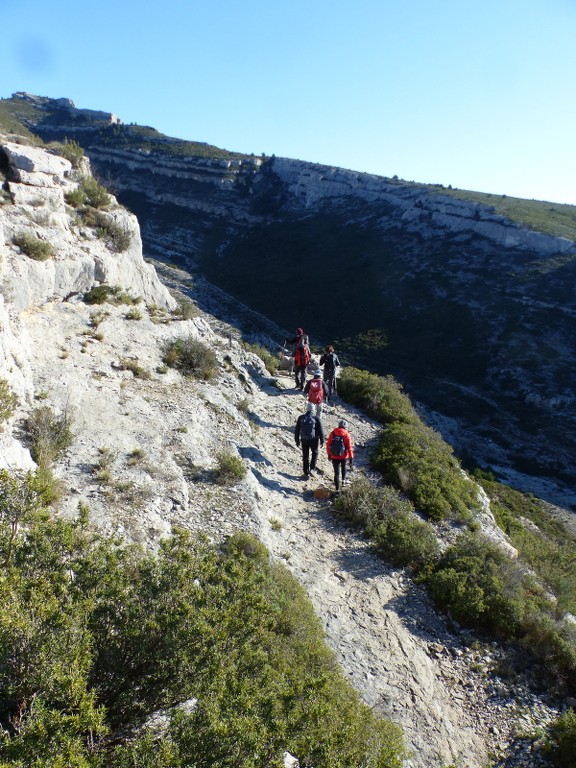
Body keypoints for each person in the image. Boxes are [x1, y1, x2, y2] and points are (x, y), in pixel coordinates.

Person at [295, 402, 325, 478]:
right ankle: (312, 468)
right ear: (313, 409)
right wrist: (322, 440)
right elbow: (321, 430)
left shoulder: (301, 417)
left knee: (305, 455)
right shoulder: (316, 418)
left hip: (304, 439)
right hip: (314, 439)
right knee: (315, 453)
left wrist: (297, 440)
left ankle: (305, 471)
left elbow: (297, 430)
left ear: (307, 409)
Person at [326, 419, 354, 493]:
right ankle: (343, 481)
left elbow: (328, 444)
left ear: (338, 426)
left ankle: (337, 490)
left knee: (336, 473)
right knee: (343, 467)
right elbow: (349, 447)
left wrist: (329, 454)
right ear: (345, 427)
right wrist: (351, 458)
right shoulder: (346, 434)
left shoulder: (333, 433)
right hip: (344, 456)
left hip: (334, 456)